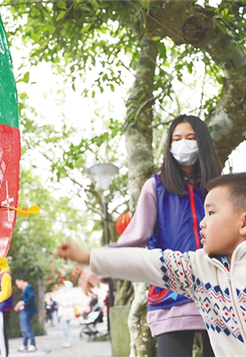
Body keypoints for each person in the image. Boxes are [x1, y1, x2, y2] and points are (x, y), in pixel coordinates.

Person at [55, 172, 246, 356]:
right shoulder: (198, 272)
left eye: (211, 212)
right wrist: (89, 258)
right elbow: (145, 261)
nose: (202, 223)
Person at [80, 114, 221, 356]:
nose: (183, 143)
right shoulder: (155, 187)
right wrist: (97, 264)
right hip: (170, 296)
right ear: (169, 145)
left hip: (219, 295)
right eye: (176, 138)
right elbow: (134, 238)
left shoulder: (222, 187)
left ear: (203, 143)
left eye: (190, 138)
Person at [15, 277, 37, 352]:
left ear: (21, 281)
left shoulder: (28, 287)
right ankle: (24, 344)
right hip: (23, 310)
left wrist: (23, 302)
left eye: (18, 284)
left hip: (28, 311)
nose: (18, 286)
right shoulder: (24, 289)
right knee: (24, 328)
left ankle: (32, 344)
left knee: (28, 328)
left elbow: (32, 296)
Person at [57, 281, 75, 348]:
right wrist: (59, 314)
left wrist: (65, 304)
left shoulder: (69, 294)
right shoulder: (63, 294)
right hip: (62, 313)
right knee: (64, 328)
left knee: (66, 327)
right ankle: (67, 340)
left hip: (67, 313)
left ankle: (69, 341)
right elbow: (60, 305)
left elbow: (72, 302)